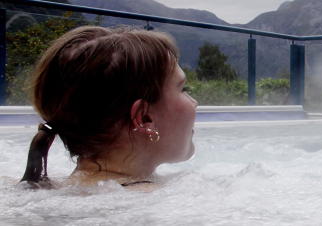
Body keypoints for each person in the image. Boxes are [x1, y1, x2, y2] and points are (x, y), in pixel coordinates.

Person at [20, 26, 197, 188]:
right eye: (183, 89)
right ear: (144, 118)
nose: (194, 103)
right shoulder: (155, 198)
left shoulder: (52, 187)